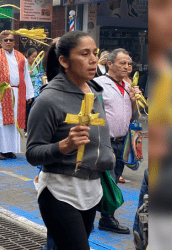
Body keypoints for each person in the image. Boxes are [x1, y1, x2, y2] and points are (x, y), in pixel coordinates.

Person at [26, 31, 115, 250]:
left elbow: (101, 133)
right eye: (84, 54)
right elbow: (32, 153)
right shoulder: (48, 100)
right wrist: (65, 145)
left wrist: (107, 154)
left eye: (94, 53)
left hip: (92, 190)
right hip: (60, 191)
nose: (94, 59)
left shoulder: (94, 92)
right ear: (64, 61)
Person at [94, 48, 142, 235]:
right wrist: (102, 142)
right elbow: (93, 115)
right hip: (105, 141)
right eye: (122, 63)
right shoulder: (98, 84)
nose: (127, 66)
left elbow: (133, 117)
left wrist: (133, 100)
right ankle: (97, 217)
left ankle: (106, 219)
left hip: (123, 143)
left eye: (129, 63)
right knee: (103, 181)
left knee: (112, 181)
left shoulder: (128, 86)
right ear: (110, 64)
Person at [0, 30, 34, 160]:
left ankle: (9, 149)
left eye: (11, 40)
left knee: (13, 122)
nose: (8, 42)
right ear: (1, 42)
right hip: (0, 91)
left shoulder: (20, 56)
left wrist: (29, 94)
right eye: (6, 40)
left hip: (16, 93)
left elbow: (26, 76)